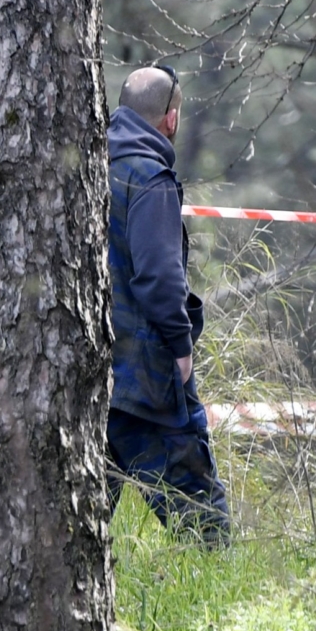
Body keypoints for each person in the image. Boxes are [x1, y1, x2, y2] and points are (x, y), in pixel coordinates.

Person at [107, 64, 229, 544]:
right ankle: (217, 602)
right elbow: (159, 276)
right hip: (145, 375)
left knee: (78, 514)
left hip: (90, 369)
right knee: (201, 516)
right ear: (170, 120)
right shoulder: (150, 179)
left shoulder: (89, 169)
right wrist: (181, 349)